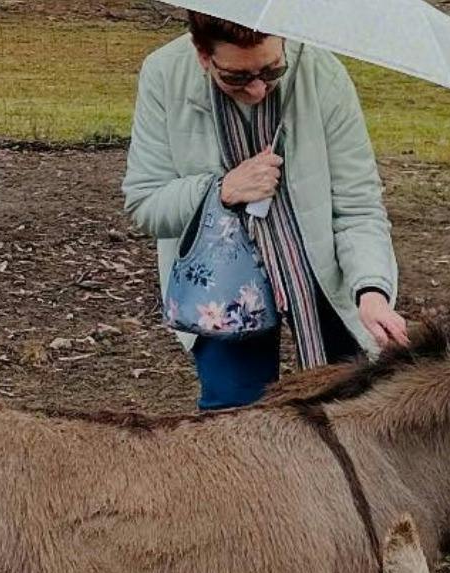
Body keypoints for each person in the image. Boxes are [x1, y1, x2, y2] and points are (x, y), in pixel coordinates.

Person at [123, 15, 410, 410]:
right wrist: (221, 190)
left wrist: (371, 290)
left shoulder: (320, 72)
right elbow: (145, 203)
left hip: (319, 267)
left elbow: (358, 205)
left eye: (273, 70)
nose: (258, 89)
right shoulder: (164, 74)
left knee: (352, 407)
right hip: (221, 280)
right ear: (202, 55)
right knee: (234, 417)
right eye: (237, 77)